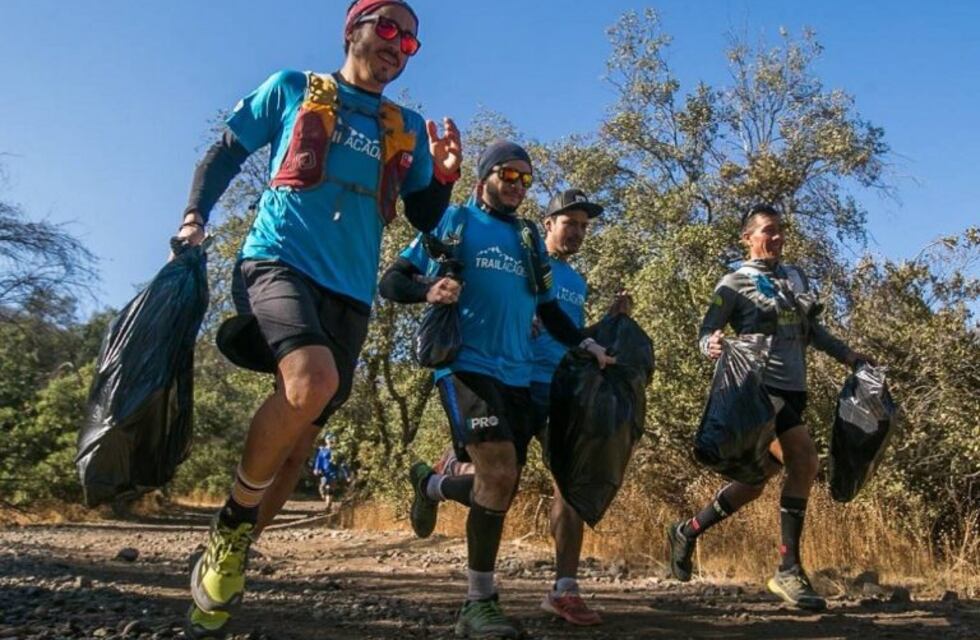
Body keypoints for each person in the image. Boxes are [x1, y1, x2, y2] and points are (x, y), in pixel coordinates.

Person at [177, 1, 462, 636]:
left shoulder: (405, 127)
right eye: (387, 27)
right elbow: (223, 153)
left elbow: (423, 216)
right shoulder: (292, 88)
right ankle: (232, 523)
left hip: (350, 291)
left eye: (410, 41)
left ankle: (229, 557)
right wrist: (195, 216)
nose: (398, 44)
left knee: (301, 439)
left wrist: (443, 178)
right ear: (352, 30)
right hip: (278, 260)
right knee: (312, 382)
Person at [378, 143, 614, 638]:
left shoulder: (528, 237)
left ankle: (431, 486)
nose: (517, 185)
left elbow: (548, 309)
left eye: (526, 179)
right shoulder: (456, 220)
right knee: (501, 472)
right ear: (484, 176)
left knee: (499, 483)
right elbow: (392, 281)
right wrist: (428, 289)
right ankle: (478, 603)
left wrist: (588, 344)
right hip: (464, 364)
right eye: (509, 174)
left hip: (518, 375)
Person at [666, 204, 874, 610]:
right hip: (758, 389)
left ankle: (687, 530)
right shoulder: (734, 282)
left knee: (756, 481)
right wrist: (710, 344)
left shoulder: (795, 277)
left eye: (780, 230)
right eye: (767, 230)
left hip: (794, 388)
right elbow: (707, 330)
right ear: (747, 238)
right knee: (805, 460)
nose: (776, 237)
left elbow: (812, 331)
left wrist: (849, 356)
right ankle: (788, 569)